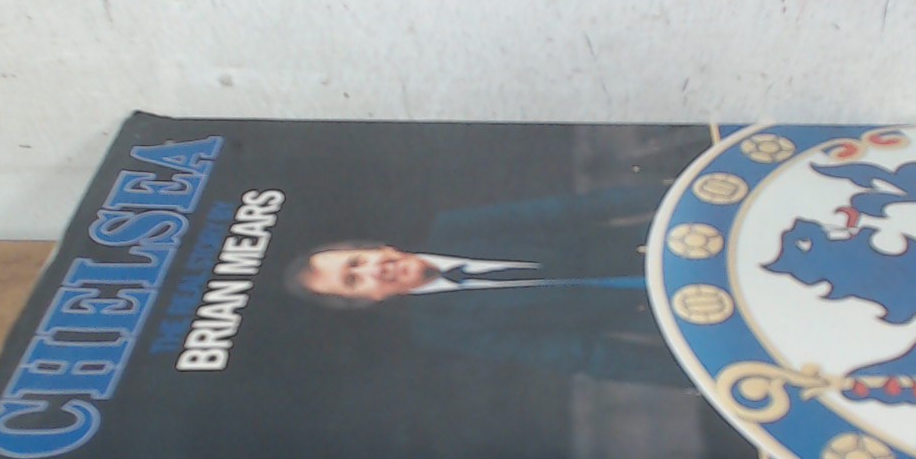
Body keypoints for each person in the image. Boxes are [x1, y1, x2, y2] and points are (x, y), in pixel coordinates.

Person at [287, 184, 687, 385]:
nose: (373, 271)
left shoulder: (457, 226)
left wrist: (678, 192)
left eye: (358, 261)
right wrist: (683, 374)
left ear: (379, 247)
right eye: (354, 281)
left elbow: (574, 210)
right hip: (658, 318)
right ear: (370, 298)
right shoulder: (441, 330)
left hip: (663, 241)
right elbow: (577, 355)